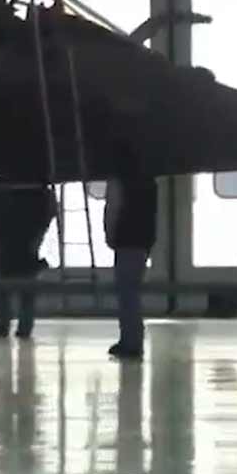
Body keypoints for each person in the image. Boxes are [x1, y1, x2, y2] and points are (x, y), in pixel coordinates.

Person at [0, 185, 57, 339]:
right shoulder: (36, 191)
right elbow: (48, 212)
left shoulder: (0, 194)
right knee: (24, 291)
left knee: (7, 290)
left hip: (6, 247)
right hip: (23, 246)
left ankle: (5, 326)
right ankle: (22, 327)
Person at [103, 145, 158, 360]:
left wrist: (110, 236)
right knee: (132, 292)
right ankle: (133, 339)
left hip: (125, 241)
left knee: (126, 293)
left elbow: (113, 209)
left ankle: (130, 341)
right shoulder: (149, 182)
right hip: (142, 242)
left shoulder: (118, 181)